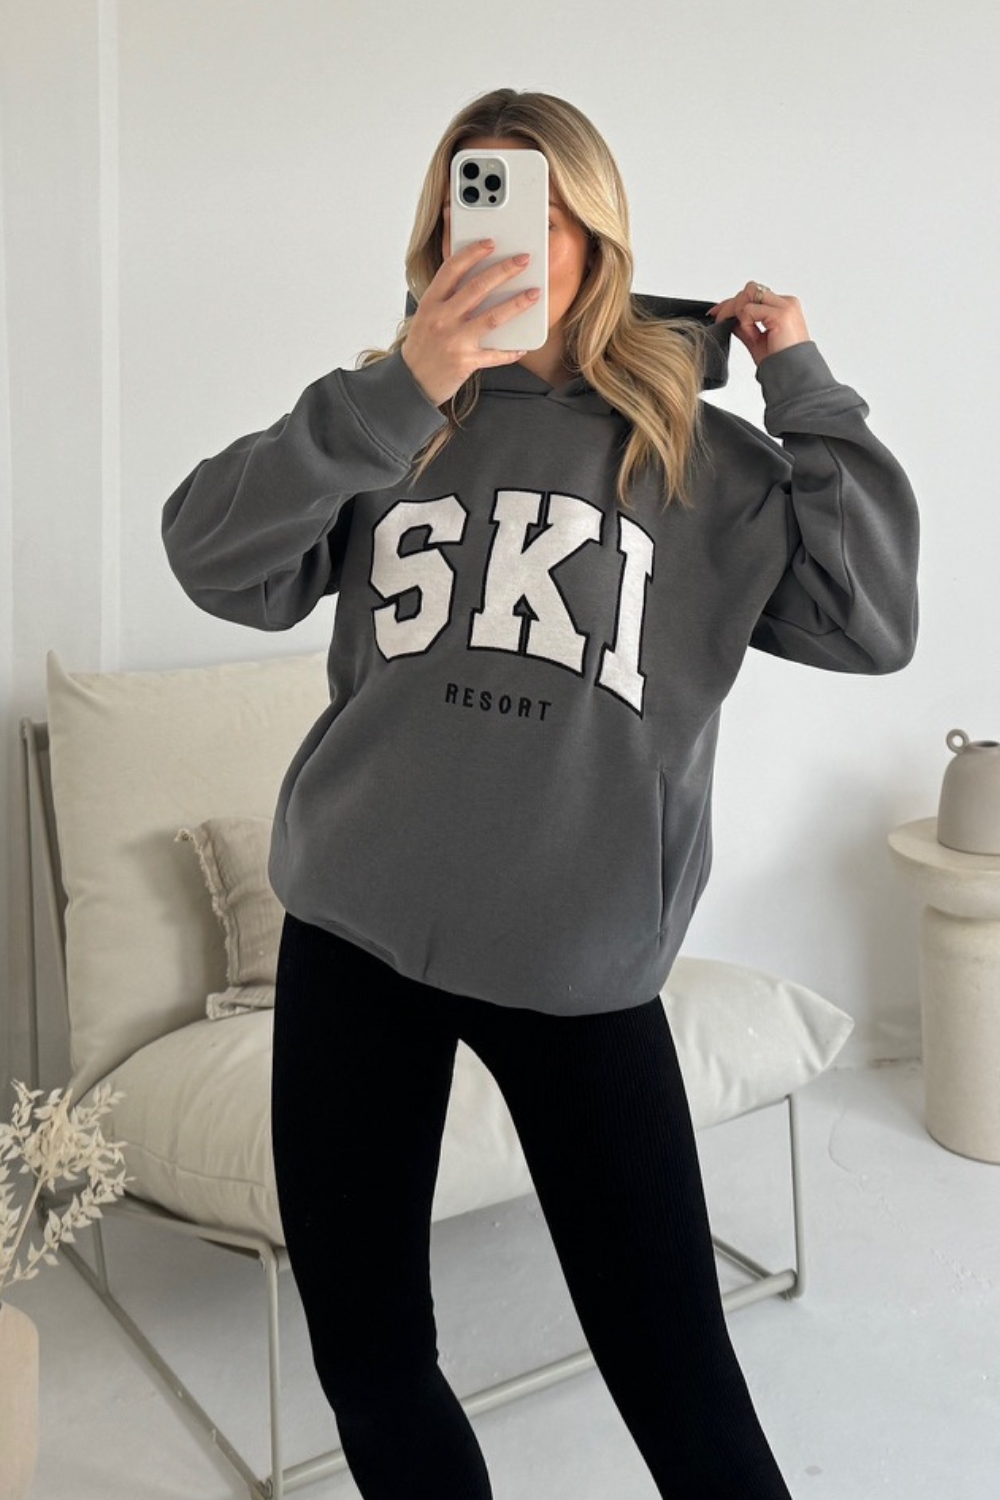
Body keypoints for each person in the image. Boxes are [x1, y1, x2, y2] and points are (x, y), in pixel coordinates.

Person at [162, 86, 918, 1500]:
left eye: (542, 206)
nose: (507, 234)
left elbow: (871, 621)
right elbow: (210, 556)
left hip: (576, 972)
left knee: (684, 1396)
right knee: (369, 1362)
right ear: (437, 228)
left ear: (601, 234)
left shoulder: (693, 452)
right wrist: (399, 385)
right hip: (352, 940)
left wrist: (805, 383)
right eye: (477, 198)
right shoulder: (385, 421)